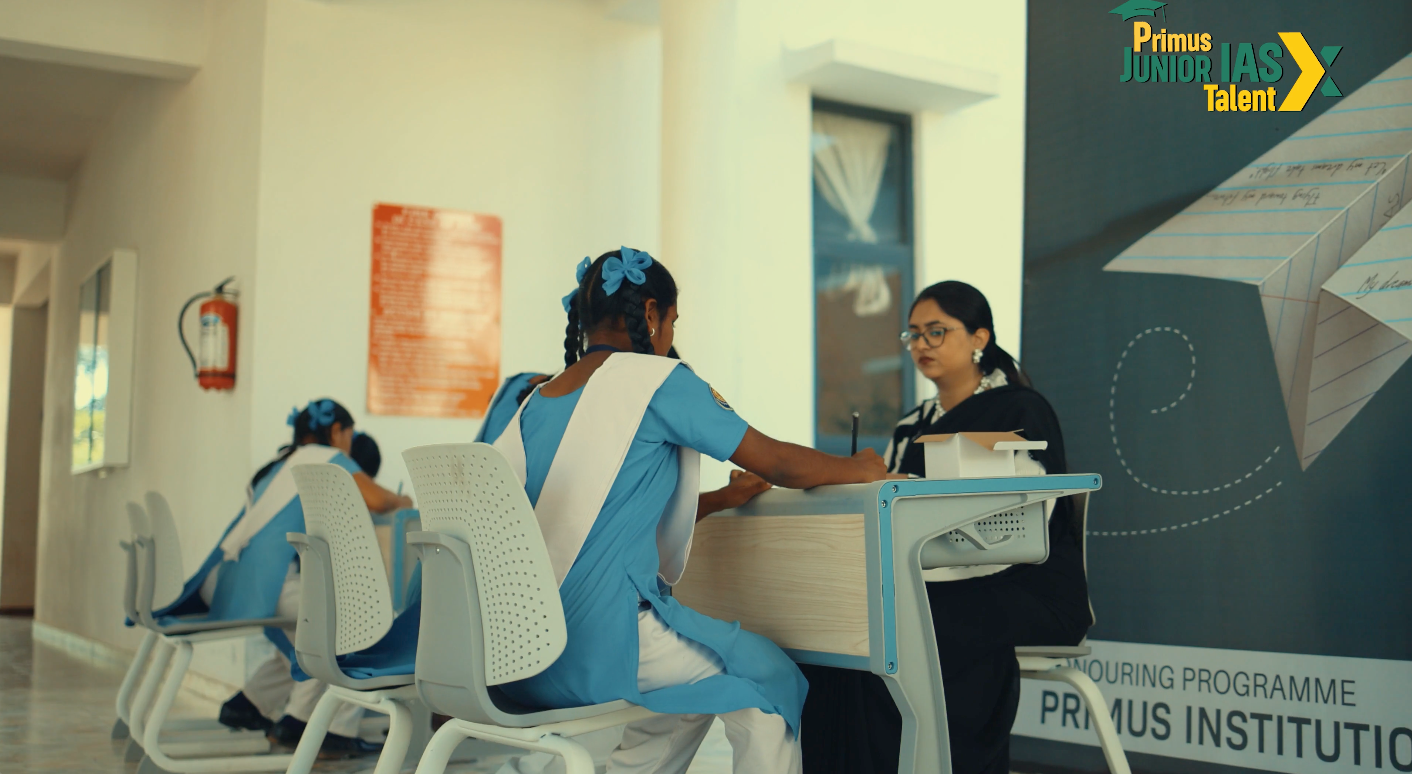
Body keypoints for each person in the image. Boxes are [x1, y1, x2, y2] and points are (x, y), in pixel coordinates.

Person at [491, 248, 886, 774]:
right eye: (673, 322)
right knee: (766, 680)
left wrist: (722, 499)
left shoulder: (537, 401)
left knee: (689, 687)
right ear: (650, 313)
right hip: (599, 644)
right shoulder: (658, 379)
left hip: (518, 651)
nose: (671, 335)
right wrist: (858, 467)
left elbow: (599, 511)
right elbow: (776, 461)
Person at [798, 281, 1091, 774]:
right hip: (928, 578)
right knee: (839, 628)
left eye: (936, 332)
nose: (922, 345)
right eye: (913, 334)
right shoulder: (911, 425)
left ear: (979, 337)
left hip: (1022, 585)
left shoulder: (1019, 409)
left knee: (893, 625)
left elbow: (1027, 520)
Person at [149, 400, 412, 758]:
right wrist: (403, 499)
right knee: (352, 624)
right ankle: (317, 728)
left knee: (310, 634)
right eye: (349, 436)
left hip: (229, 578)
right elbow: (379, 500)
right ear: (336, 431)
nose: (349, 446)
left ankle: (256, 706)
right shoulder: (324, 456)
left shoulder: (283, 461)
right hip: (266, 582)